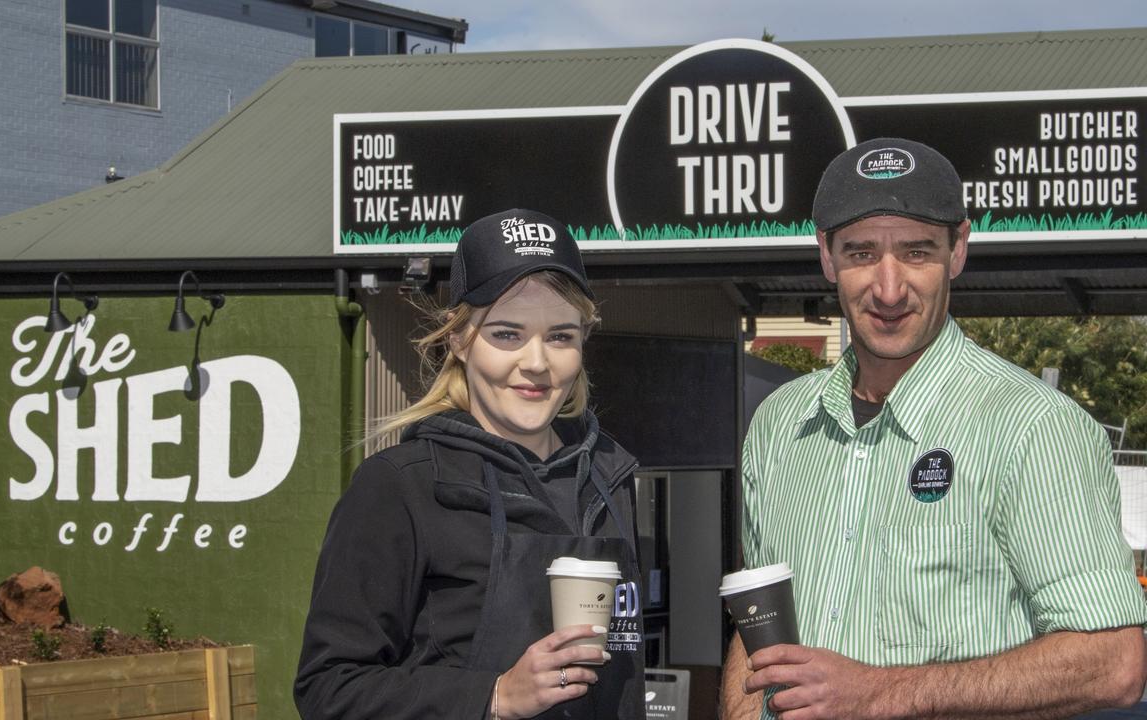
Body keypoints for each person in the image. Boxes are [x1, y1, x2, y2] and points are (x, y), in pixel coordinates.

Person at [722, 138, 1147, 720]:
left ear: (958, 250)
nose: (890, 289)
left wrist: (878, 693)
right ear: (826, 255)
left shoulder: (1032, 426)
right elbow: (757, 630)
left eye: (917, 252)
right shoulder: (779, 424)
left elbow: (1113, 662)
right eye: (862, 252)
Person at [295, 209, 646, 719]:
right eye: (507, 334)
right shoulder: (401, 487)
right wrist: (495, 696)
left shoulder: (608, 479)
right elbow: (328, 690)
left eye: (560, 336)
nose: (537, 363)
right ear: (459, 340)